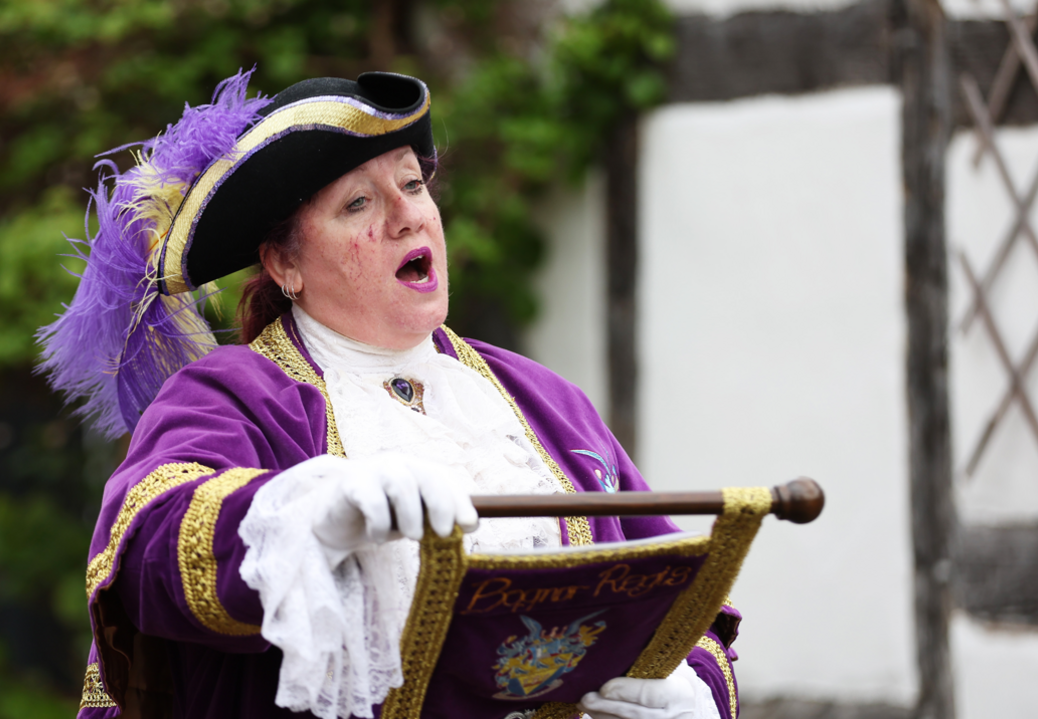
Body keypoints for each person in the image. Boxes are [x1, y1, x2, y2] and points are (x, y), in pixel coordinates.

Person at [40, 70, 742, 719]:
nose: (407, 217)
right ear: (285, 263)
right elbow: (143, 549)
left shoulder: (545, 400)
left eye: (413, 185)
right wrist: (297, 514)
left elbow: (683, 597)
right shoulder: (234, 394)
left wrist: (695, 690)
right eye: (358, 203)